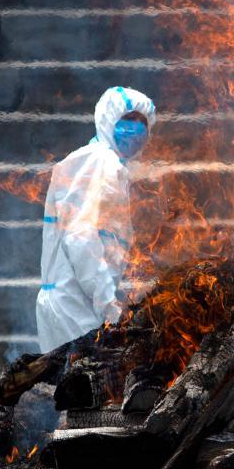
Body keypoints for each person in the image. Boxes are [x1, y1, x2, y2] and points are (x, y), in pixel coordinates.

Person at [35, 86, 156, 352]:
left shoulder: (98, 160)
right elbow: (81, 238)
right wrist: (107, 304)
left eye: (141, 123)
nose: (135, 130)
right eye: (128, 120)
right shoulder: (101, 162)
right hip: (76, 306)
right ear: (107, 120)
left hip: (70, 301)